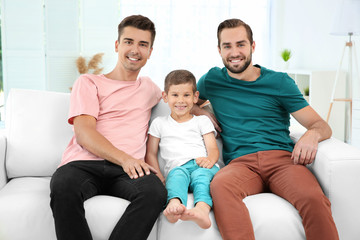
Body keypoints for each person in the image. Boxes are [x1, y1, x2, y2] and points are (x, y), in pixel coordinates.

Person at [194, 18, 339, 240]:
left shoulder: (279, 82)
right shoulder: (211, 80)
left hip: (282, 161)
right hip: (241, 164)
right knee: (221, 186)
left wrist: (312, 134)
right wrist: (200, 111)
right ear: (219, 49)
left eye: (241, 44)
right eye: (227, 46)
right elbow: (183, 101)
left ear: (253, 46)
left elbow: (321, 125)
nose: (234, 52)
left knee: (313, 198)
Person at [50, 15, 167, 240]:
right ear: (117, 45)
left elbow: (180, 99)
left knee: (155, 193)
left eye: (143, 44)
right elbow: (84, 134)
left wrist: (203, 111)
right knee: (63, 186)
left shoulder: (149, 88)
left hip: (129, 171)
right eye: (129, 41)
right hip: (84, 164)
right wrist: (125, 158)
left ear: (150, 51)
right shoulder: (88, 82)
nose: (135, 49)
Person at [145, 70, 220, 229]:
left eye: (186, 95)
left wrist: (209, 160)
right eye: (175, 95)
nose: (181, 101)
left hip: (202, 165)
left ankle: (202, 210)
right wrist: (159, 177)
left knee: (202, 178)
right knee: (176, 177)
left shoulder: (202, 121)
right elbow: (150, 154)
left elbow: (212, 148)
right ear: (165, 97)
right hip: (178, 167)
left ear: (195, 96)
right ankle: (174, 204)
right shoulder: (159, 123)